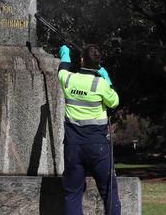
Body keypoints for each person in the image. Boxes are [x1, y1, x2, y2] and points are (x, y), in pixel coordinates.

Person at [58, 44, 121, 215]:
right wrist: (107, 79)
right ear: (98, 64)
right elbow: (114, 102)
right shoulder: (100, 84)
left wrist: (65, 54)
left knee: (72, 194)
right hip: (97, 146)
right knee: (109, 192)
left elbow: (62, 69)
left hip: (73, 146)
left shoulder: (68, 80)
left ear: (81, 60)